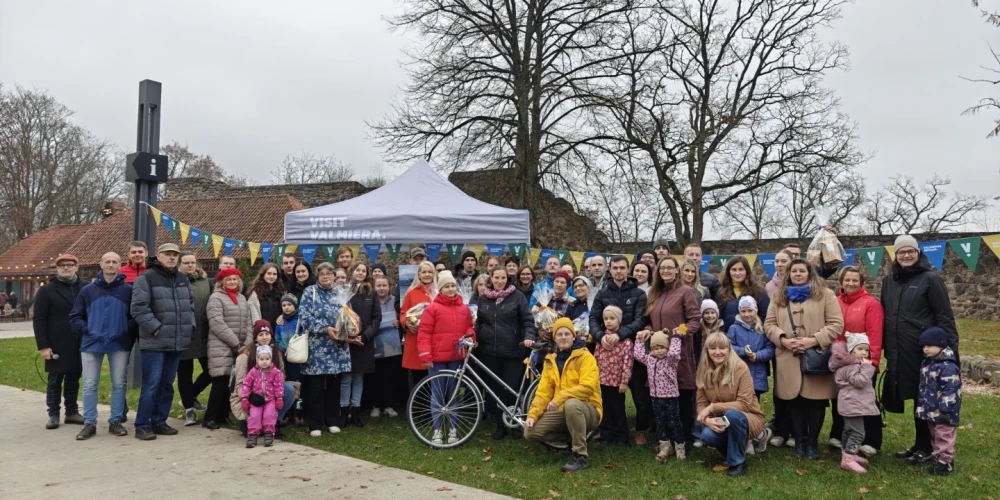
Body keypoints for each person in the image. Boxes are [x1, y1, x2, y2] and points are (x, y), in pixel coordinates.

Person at [881, 235, 959, 467]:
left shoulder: (930, 279)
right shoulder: (889, 281)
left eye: (910, 251)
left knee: (924, 398)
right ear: (895, 255)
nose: (906, 255)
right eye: (901, 252)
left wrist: (949, 351)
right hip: (897, 349)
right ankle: (919, 444)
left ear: (918, 253)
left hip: (923, 351)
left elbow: (944, 315)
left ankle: (926, 446)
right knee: (914, 397)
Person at [764, 258, 844, 460]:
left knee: (816, 401)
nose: (798, 274)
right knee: (795, 401)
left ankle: (812, 442)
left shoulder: (826, 295)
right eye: (794, 271)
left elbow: (836, 324)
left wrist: (812, 341)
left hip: (815, 355)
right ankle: (799, 440)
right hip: (788, 356)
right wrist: (783, 340)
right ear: (788, 274)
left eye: (802, 270)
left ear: (809, 273)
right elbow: (769, 325)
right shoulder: (778, 297)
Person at [130, 243, 195, 441]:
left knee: (167, 384)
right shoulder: (146, 278)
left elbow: (190, 305)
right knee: (152, 384)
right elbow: (139, 308)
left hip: (176, 341)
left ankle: (159, 421)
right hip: (155, 342)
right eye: (167, 254)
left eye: (175, 255)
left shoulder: (182, 279)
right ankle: (142, 424)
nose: (172, 258)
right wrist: (156, 328)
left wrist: (189, 325)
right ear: (158, 256)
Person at [637, 256, 702, 449]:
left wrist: (677, 333)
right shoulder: (654, 293)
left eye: (669, 268)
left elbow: (695, 321)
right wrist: (648, 329)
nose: (665, 271)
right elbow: (649, 320)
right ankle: (665, 439)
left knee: (681, 397)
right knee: (661, 397)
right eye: (662, 268)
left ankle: (684, 440)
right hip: (657, 353)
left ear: (676, 270)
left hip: (678, 352)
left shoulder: (686, 292)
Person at [68, 252, 133, 440]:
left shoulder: (127, 291)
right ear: (101, 264)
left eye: (114, 262)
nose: (111, 265)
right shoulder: (88, 290)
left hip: (119, 343)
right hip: (91, 343)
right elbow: (75, 316)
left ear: (120, 265)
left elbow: (135, 316)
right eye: (107, 261)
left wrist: (124, 329)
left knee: (119, 383)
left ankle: (115, 421)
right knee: (89, 384)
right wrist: (87, 329)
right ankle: (89, 423)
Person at [525, 318, 602, 472]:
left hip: (589, 409)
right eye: (559, 334)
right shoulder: (550, 360)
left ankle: (580, 455)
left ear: (574, 337)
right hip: (562, 411)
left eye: (567, 333)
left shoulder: (586, 357)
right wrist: (532, 415)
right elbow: (543, 392)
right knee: (530, 433)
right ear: (555, 338)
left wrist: (559, 398)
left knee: (571, 404)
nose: (563, 337)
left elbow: (587, 387)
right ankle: (572, 438)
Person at [590, 255, 649, 444]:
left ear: (628, 269)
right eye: (615, 268)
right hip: (608, 353)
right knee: (608, 397)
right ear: (610, 269)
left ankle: (641, 429)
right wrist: (600, 337)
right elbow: (593, 319)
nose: (618, 271)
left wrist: (620, 335)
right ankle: (608, 430)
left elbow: (641, 319)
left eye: (622, 268)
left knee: (639, 394)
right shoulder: (602, 293)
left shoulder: (639, 294)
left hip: (633, 348)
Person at [695, 331, 769, 477]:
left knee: (732, 415)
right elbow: (701, 403)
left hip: (748, 417)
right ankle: (737, 450)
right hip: (722, 421)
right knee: (706, 435)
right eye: (713, 348)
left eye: (722, 348)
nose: (717, 352)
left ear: (729, 349)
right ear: (707, 351)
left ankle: (737, 462)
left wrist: (713, 407)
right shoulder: (703, 370)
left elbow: (744, 404)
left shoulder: (740, 368)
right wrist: (707, 420)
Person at [475, 266, 537, 439]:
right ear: (491, 278)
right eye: (496, 278)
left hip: (512, 352)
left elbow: (527, 320)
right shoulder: (483, 298)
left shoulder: (517, 296)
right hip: (489, 352)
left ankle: (515, 423)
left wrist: (529, 336)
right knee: (494, 390)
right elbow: (479, 323)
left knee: (511, 389)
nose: (500, 281)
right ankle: (500, 425)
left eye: (503, 278)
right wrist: (474, 337)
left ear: (507, 279)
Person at [829, 266, 884, 455]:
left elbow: (875, 335)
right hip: (841, 360)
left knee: (866, 401)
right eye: (847, 280)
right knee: (841, 398)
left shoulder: (871, 304)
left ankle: (872, 440)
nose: (851, 283)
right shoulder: (835, 302)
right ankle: (839, 434)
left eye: (855, 280)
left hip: (862, 361)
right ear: (841, 282)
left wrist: (873, 362)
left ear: (861, 283)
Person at [417, 270, 475, 445]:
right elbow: (424, 332)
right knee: (437, 394)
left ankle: (453, 428)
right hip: (437, 359)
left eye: (452, 286)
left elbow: (469, 328)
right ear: (440, 289)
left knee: (453, 394)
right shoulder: (432, 309)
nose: (450, 289)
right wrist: (425, 354)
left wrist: (471, 336)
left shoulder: (464, 308)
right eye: (447, 286)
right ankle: (436, 429)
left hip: (456, 358)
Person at [299, 262, 353, 437]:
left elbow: (349, 314)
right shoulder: (310, 292)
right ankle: (315, 423)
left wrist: (349, 328)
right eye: (322, 274)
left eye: (329, 274)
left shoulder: (341, 292)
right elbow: (304, 317)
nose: (326, 277)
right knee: (315, 387)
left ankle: (333, 420)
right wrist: (325, 328)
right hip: (317, 348)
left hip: (337, 347)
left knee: (334, 386)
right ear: (317, 276)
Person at [34, 254, 84, 430]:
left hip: (79, 341)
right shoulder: (47, 290)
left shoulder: (85, 288)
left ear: (77, 267)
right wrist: (43, 346)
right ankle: (53, 413)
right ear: (57, 268)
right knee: (55, 380)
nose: (67, 268)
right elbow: (39, 319)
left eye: (70, 265)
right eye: (63, 265)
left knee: (73, 378)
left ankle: (71, 411)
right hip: (56, 343)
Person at [204, 267, 253, 430]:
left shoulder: (242, 298)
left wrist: (247, 343)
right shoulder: (216, 298)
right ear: (222, 282)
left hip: (240, 347)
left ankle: (223, 415)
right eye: (229, 280)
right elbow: (217, 323)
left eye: (235, 279)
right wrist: (235, 343)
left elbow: (248, 322)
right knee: (220, 381)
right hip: (222, 345)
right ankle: (210, 417)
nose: (232, 282)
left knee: (232, 383)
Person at [230, 321, 295, 440]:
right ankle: (249, 423)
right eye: (260, 335)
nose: (264, 337)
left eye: (267, 334)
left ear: (271, 335)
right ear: (255, 337)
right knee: (253, 409)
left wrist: (274, 388)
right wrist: (249, 395)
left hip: (270, 392)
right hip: (251, 393)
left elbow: (282, 375)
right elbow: (239, 384)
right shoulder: (245, 356)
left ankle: (273, 423)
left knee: (289, 389)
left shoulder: (276, 353)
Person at [828, 334, 879, 474]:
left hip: (853, 404)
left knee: (848, 430)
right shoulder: (851, 367)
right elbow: (860, 381)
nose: (864, 352)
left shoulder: (853, 365)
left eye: (866, 350)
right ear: (851, 351)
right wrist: (869, 368)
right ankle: (848, 459)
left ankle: (847, 453)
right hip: (852, 405)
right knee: (857, 433)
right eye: (860, 349)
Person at [915, 327, 962, 476]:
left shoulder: (948, 366)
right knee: (935, 435)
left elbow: (951, 388)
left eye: (929, 345)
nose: (925, 349)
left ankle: (946, 462)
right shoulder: (928, 364)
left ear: (941, 345)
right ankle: (939, 458)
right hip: (931, 408)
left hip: (944, 410)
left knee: (944, 435)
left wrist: (945, 406)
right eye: (924, 346)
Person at [634, 330, 685, 462]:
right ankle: (665, 447)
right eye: (656, 348)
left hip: (671, 397)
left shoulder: (671, 360)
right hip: (655, 397)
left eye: (662, 347)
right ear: (652, 349)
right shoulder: (650, 359)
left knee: (674, 422)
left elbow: (674, 352)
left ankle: (680, 447)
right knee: (661, 423)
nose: (659, 351)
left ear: (667, 348)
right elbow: (638, 355)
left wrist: (676, 338)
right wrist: (639, 340)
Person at [342, 262, 381, 428]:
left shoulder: (371, 293)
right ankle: (344, 412)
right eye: (357, 269)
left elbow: (376, 318)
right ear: (352, 270)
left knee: (359, 378)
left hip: (364, 342)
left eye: (364, 270)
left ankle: (356, 413)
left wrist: (364, 337)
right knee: (346, 378)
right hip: (347, 342)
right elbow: (340, 316)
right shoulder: (344, 291)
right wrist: (347, 336)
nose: (360, 272)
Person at [177, 252, 211, 426]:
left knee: (211, 370)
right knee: (185, 374)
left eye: (193, 262)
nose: (190, 265)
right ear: (180, 264)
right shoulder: (175, 281)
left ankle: (190, 396)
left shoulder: (205, 281)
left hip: (204, 333)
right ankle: (189, 410)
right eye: (186, 262)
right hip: (183, 334)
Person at [593, 306, 633, 447]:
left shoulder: (625, 341)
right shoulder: (601, 339)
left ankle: (621, 436)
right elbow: (595, 359)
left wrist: (624, 382)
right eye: (606, 319)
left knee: (618, 409)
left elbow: (627, 363)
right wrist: (595, 379)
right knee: (605, 408)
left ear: (619, 320)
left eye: (612, 318)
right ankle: (606, 435)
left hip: (617, 382)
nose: (608, 321)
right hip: (602, 381)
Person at [726, 296, 774, 401]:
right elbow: (728, 348)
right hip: (737, 374)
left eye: (750, 310)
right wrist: (743, 351)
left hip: (757, 375)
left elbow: (770, 349)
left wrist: (757, 355)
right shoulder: (733, 329)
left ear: (755, 311)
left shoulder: (762, 328)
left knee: (754, 403)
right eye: (743, 311)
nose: (747, 314)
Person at [401, 261, 437, 391]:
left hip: (435, 342)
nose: (427, 274)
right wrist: (408, 324)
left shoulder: (439, 292)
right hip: (416, 341)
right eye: (424, 272)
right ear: (419, 275)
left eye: (430, 271)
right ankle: (415, 410)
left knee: (435, 380)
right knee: (417, 380)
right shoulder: (411, 292)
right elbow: (403, 314)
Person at [240, 345, 285, 448]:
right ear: (257, 359)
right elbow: (246, 384)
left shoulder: (275, 372)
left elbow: (278, 385)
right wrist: (245, 398)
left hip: (270, 400)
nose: (264, 362)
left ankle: (269, 434)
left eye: (267, 359)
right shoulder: (253, 372)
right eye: (261, 359)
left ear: (271, 359)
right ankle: (252, 435)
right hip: (257, 400)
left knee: (269, 415)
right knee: (254, 416)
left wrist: (279, 398)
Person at [370, 276, 402, 419]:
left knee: (391, 374)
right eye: (379, 285)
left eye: (384, 285)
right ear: (374, 287)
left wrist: (399, 322)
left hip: (392, 343)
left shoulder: (396, 301)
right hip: (375, 343)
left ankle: (389, 405)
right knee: (375, 375)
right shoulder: (370, 301)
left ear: (389, 286)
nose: (382, 288)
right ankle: (376, 406)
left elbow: (404, 317)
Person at [716, 256, 770, 329]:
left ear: (747, 271)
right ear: (729, 271)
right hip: (728, 336)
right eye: (734, 270)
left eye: (741, 269)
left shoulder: (758, 291)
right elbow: (718, 318)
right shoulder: (721, 292)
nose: (737, 273)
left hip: (753, 336)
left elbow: (765, 316)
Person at [248, 263, 286, 329]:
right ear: (263, 275)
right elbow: (255, 317)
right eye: (269, 273)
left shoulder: (281, 292)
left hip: (279, 330)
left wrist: (283, 315)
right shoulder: (255, 294)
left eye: (274, 274)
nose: (272, 277)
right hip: (264, 332)